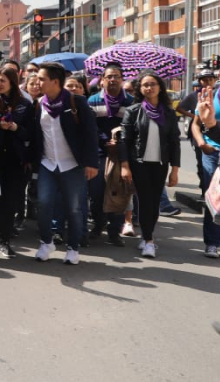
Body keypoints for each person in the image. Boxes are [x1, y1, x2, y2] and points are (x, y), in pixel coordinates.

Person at [32, 62, 99, 265]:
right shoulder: (38, 104)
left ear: (55, 81)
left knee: (75, 208)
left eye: (42, 78)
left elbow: (90, 134)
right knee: (43, 204)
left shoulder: (77, 103)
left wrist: (91, 163)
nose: (37, 82)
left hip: (72, 165)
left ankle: (73, 248)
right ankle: (46, 242)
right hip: (47, 164)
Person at [119, 70, 179, 259]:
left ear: (160, 87)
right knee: (145, 201)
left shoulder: (169, 113)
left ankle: (146, 236)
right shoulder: (133, 111)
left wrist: (174, 170)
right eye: (145, 84)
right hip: (139, 163)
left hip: (160, 164)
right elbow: (125, 140)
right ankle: (149, 241)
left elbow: (175, 142)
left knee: (154, 204)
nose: (149, 87)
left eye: (153, 84)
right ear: (140, 88)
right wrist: (125, 165)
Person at [0, 68, 33, 257]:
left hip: (15, 159)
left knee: (10, 200)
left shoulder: (25, 104)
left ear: (12, 82)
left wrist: (16, 128)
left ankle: (5, 239)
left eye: (3, 80)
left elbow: (31, 132)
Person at [86, 62, 133, 245]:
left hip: (121, 155)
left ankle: (115, 231)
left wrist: (119, 142)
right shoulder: (92, 101)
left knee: (118, 192)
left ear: (122, 80)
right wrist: (105, 140)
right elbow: (90, 128)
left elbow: (131, 129)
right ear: (102, 81)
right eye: (109, 77)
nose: (113, 80)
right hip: (99, 153)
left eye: (116, 77)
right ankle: (98, 225)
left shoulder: (130, 102)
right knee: (96, 192)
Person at [193, 67, 220, 258]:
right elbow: (195, 125)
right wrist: (201, 141)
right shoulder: (211, 96)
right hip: (213, 153)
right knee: (215, 196)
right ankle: (213, 242)